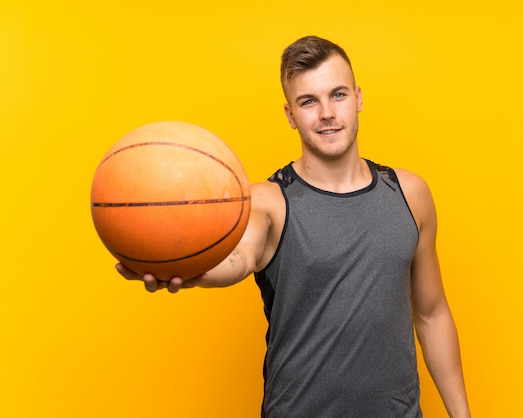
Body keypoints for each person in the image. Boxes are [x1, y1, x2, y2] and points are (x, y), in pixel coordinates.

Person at [117, 35, 471, 418]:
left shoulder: (409, 194)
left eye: (338, 95)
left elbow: (432, 313)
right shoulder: (268, 201)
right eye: (308, 102)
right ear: (290, 115)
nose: (327, 113)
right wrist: (189, 269)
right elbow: (237, 255)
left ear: (358, 98)